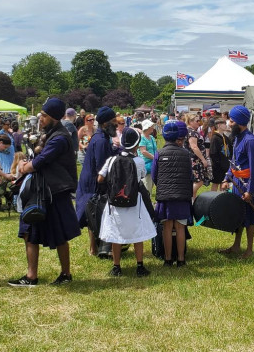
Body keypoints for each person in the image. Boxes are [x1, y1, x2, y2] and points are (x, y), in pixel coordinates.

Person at [9, 98, 81, 287]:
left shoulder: (59, 138)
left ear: (55, 118)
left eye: (44, 116)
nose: (40, 118)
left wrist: (25, 166)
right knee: (29, 230)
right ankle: (32, 276)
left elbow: (41, 162)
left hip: (54, 191)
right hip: (43, 189)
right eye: (41, 114)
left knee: (60, 234)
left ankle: (65, 274)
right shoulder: (51, 134)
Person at [97, 128, 155, 277]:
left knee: (116, 234)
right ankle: (140, 266)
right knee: (138, 234)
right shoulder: (139, 161)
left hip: (115, 202)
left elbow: (100, 178)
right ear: (136, 145)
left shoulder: (111, 160)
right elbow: (141, 177)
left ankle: (116, 266)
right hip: (134, 201)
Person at [220, 106, 254, 259]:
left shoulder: (250, 141)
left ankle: (249, 249)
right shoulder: (237, 137)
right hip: (237, 183)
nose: (228, 123)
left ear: (239, 122)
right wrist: (226, 178)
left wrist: (250, 191)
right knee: (238, 215)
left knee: (249, 218)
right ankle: (236, 245)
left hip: (247, 184)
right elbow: (234, 161)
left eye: (231, 121)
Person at [76, 106, 117, 258]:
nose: (116, 124)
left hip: (93, 180)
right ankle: (94, 248)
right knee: (92, 214)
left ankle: (97, 246)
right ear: (105, 123)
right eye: (113, 122)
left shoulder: (103, 138)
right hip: (93, 183)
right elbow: (102, 166)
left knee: (93, 214)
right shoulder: (100, 141)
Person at [153, 122, 193, 266]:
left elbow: (154, 175)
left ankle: (168, 259)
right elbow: (190, 176)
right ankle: (181, 259)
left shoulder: (159, 153)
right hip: (182, 195)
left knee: (167, 228)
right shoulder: (186, 153)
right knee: (181, 227)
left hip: (165, 196)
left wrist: (163, 186)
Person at [185, 113, 212, 199]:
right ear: (190, 121)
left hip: (194, 159)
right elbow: (194, 147)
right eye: (197, 121)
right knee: (199, 181)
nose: (199, 122)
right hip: (195, 160)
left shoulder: (191, 131)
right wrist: (203, 159)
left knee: (196, 181)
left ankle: (192, 199)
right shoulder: (192, 132)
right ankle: (188, 196)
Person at [137, 119, 158, 192]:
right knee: (147, 185)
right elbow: (143, 151)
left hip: (153, 163)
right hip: (146, 164)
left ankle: (148, 201)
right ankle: (147, 202)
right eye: (151, 126)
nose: (153, 128)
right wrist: (155, 158)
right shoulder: (142, 138)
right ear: (147, 128)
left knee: (151, 184)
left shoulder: (151, 137)